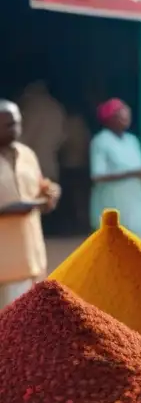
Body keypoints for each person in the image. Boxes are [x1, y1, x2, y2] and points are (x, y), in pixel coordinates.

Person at [0, 100, 60, 308]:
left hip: (29, 260)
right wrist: (20, 207)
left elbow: (39, 184)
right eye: (8, 125)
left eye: (17, 123)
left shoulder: (26, 154)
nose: (15, 129)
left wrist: (50, 192)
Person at [90, 99, 141, 240]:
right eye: (121, 116)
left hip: (135, 201)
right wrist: (133, 173)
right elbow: (97, 176)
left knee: (139, 242)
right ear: (110, 119)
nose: (126, 119)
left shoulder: (132, 140)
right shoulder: (101, 141)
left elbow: (139, 166)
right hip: (112, 202)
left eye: (127, 116)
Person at [17, 80, 66, 183]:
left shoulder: (32, 107)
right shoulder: (57, 108)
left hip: (32, 169)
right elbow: (63, 138)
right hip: (51, 166)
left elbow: (24, 139)